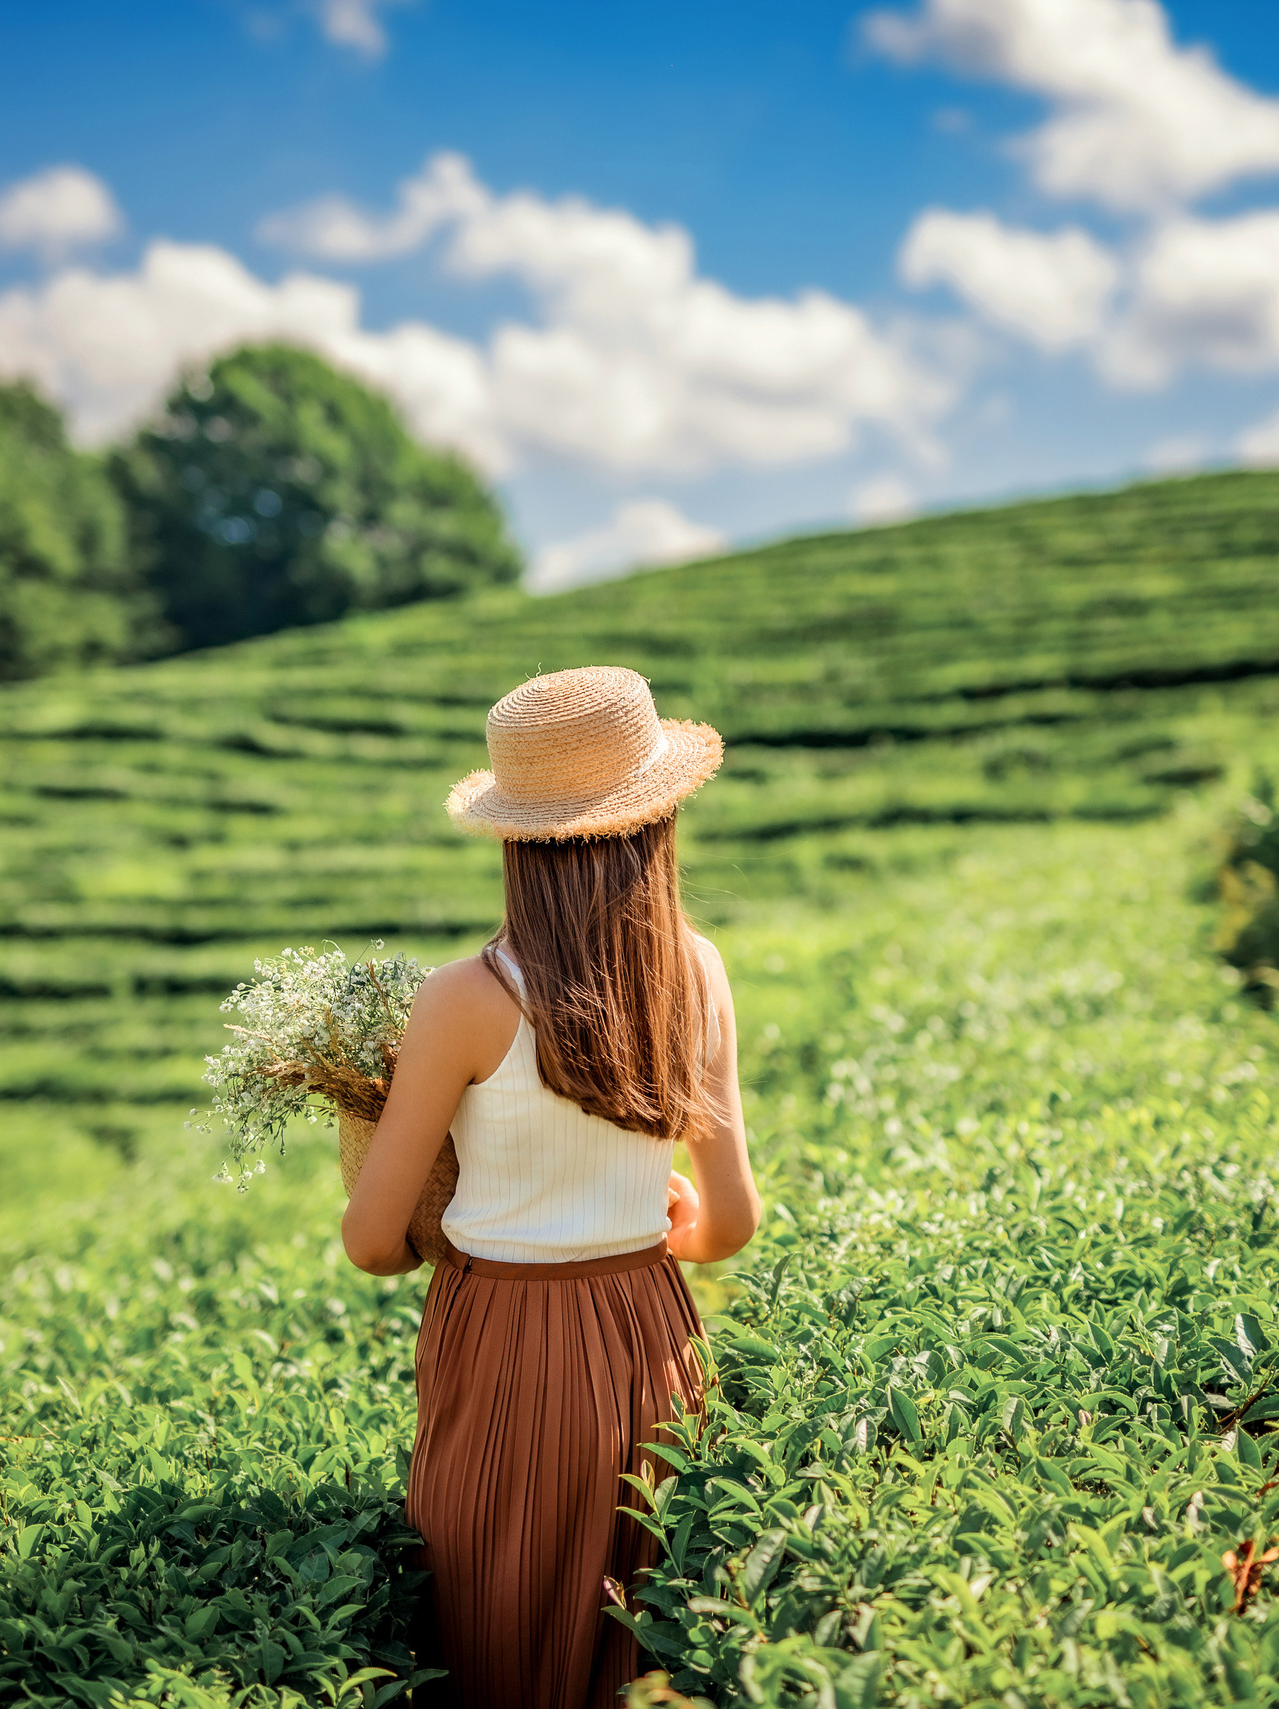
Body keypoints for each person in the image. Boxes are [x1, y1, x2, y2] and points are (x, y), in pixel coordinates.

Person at [340, 665, 762, 1707]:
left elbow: (369, 1239)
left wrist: (421, 1221)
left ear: (513, 837)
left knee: (499, 1626)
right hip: (648, 1329)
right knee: (637, 1626)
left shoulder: (464, 997)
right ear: (656, 821)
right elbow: (733, 1221)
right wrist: (671, 1218)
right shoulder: (696, 969)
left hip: (498, 1337)